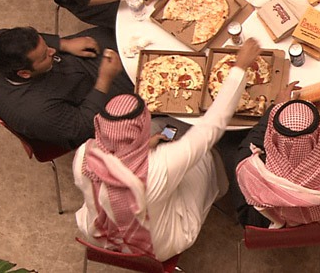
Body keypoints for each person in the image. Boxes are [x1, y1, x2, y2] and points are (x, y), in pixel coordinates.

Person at [73, 38, 259, 261]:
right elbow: (211, 127)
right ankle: (221, 188)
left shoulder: (84, 153)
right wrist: (239, 68)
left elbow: (115, 176)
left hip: (99, 235)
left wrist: (142, 149)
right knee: (204, 158)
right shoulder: (162, 165)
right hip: (157, 247)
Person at [0, 26, 132, 150]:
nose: (52, 51)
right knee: (140, 83)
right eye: (45, 55)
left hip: (71, 67)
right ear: (24, 73)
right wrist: (105, 79)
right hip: (86, 103)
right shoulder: (37, 112)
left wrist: (63, 44)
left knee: (113, 34)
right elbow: (84, 127)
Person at [234, 91, 320, 229]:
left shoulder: (247, 167)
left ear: (272, 132)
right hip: (315, 230)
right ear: (318, 135)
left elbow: (254, 137)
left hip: (260, 226)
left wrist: (275, 107)